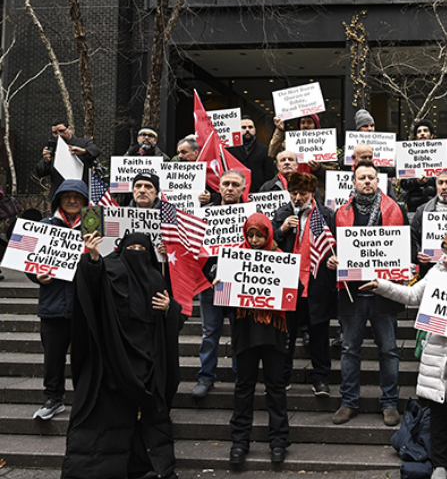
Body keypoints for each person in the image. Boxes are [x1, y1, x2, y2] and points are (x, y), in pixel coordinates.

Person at [361, 228, 447, 479]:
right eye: (444, 249)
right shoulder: (437, 272)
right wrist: (381, 286)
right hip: (439, 357)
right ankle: (440, 464)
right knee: (439, 414)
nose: (445, 255)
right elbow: (412, 295)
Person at [63, 231, 180, 479]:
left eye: (141, 249)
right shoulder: (112, 270)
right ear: (121, 248)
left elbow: (171, 318)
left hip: (147, 364)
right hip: (112, 362)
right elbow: (92, 288)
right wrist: (93, 260)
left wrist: (170, 309)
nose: (136, 253)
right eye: (131, 247)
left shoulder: (155, 278)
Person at [327, 161, 407, 426]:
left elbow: (403, 247)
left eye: (371, 177)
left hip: (383, 292)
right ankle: (349, 401)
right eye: (362, 178)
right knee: (350, 350)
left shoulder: (393, 209)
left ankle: (389, 404)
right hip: (351, 293)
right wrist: (332, 260)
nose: (367, 182)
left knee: (389, 350)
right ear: (354, 182)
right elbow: (335, 249)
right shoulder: (340, 213)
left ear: (378, 181)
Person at [225, 213, 290, 466]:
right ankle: (240, 441)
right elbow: (223, 306)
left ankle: (279, 441)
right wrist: (220, 283)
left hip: (274, 333)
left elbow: (293, 297)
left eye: (259, 235)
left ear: (268, 235)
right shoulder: (233, 259)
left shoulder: (282, 258)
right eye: (250, 234)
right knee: (244, 388)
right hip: (245, 333)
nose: (253, 239)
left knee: (275, 388)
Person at [272, 173, 335, 397]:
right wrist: (281, 230)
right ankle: (284, 375)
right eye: (294, 193)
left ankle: (321, 379)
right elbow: (267, 244)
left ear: (312, 193)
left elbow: (335, 246)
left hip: (317, 283)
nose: (298, 197)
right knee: (285, 335)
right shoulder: (281, 214)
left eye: (303, 193)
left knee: (319, 334)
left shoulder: (326, 215)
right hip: (289, 283)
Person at [29, 180, 87, 421]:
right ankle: (53, 398)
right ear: (58, 200)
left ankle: (86, 402)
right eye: (67, 196)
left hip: (85, 307)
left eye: (77, 196)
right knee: (53, 357)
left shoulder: (96, 227)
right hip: (53, 305)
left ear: (85, 201)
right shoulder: (44, 226)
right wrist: (36, 276)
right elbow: (29, 261)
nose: (72, 200)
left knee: (86, 358)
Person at [192, 170, 246, 398]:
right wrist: (213, 272)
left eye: (235, 184)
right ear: (219, 187)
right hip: (209, 284)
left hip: (240, 285)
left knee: (240, 334)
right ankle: (206, 377)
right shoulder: (205, 214)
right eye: (226, 184)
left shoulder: (249, 216)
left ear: (243, 190)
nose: (230, 188)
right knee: (209, 333)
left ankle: (240, 378)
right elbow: (197, 249)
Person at [35, 120, 101, 200]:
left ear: (69, 129)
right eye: (55, 133)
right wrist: (46, 161)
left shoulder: (83, 143)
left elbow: (96, 151)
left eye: (62, 131)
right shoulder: (53, 148)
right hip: (59, 194)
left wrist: (83, 151)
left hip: (80, 193)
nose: (58, 135)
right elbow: (39, 172)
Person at [227, 115, 276, 194]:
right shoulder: (229, 150)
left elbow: (269, 175)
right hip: (236, 192)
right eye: (243, 127)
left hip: (258, 193)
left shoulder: (264, 150)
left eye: (250, 127)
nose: (247, 130)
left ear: (255, 130)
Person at [400, 119, 438, 213]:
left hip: (434, 208)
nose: (422, 133)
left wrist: (430, 179)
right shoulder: (408, 156)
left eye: (425, 131)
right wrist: (417, 182)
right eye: (419, 132)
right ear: (416, 136)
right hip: (414, 208)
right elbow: (404, 184)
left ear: (431, 135)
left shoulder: (439, 155)